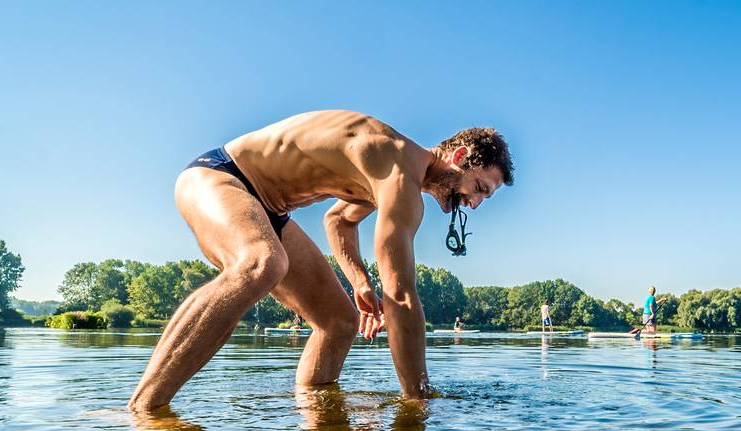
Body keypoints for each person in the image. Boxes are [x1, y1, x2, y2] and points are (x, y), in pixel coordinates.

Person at [129, 111, 514, 412]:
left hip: (271, 211)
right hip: (219, 176)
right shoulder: (399, 172)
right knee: (262, 263)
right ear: (459, 157)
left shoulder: (388, 175)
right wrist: (418, 398)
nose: (475, 203)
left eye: (485, 197)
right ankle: (143, 409)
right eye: (479, 187)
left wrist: (359, 282)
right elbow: (400, 296)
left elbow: (339, 220)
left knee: (339, 322)